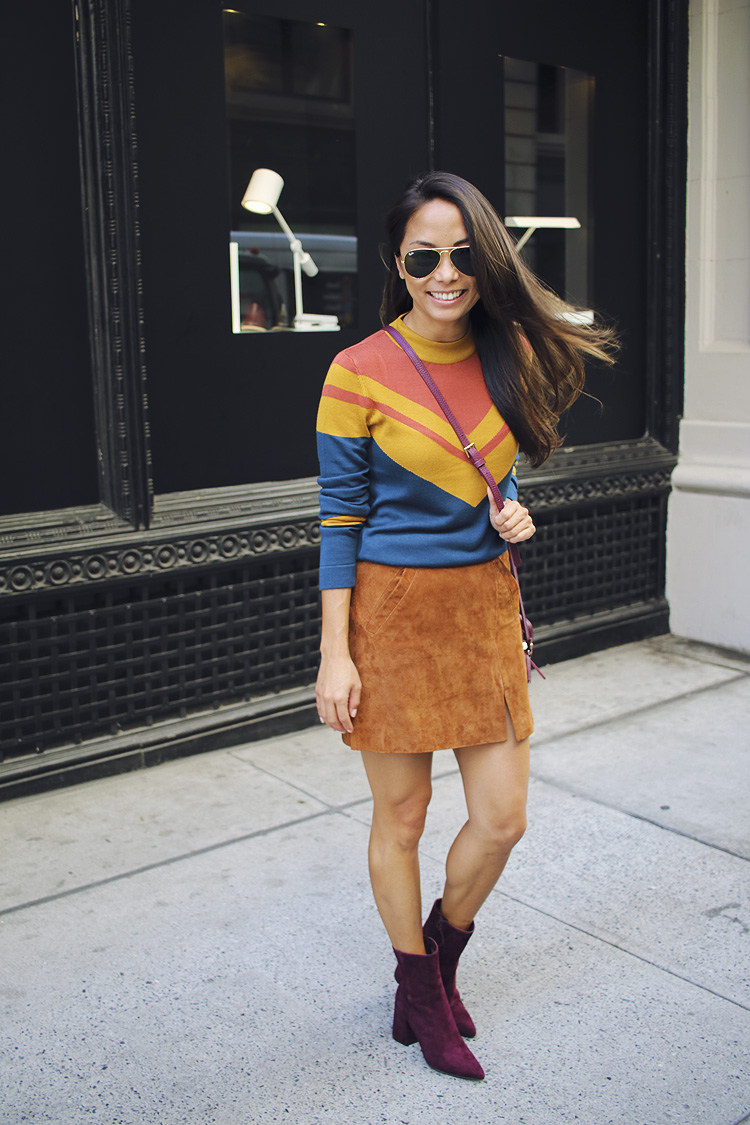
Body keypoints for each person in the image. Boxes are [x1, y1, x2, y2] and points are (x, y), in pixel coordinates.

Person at [315, 171, 616, 1080]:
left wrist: (514, 506)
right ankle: (419, 988)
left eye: (462, 256)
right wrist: (335, 653)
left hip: (482, 609)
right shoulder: (356, 370)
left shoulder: (509, 352)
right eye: (424, 257)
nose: (445, 274)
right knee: (402, 816)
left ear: (484, 262)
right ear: (396, 264)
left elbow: (496, 473)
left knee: (502, 817)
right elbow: (340, 516)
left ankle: (435, 963)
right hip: (392, 615)